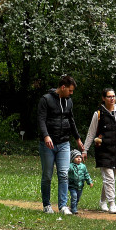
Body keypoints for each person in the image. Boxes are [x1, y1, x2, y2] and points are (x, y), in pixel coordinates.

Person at [36, 74, 85, 214]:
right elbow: (41, 120)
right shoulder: (46, 100)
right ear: (63, 87)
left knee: (63, 174)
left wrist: (77, 139)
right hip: (48, 145)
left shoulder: (69, 102)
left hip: (64, 143)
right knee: (47, 175)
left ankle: (63, 206)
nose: (71, 93)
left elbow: (71, 121)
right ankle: (46, 205)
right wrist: (46, 136)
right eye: (70, 90)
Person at [83, 87, 116, 213]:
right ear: (103, 98)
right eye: (109, 96)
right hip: (103, 150)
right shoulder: (98, 114)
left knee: (111, 177)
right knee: (109, 178)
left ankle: (103, 201)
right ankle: (112, 203)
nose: (112, 98)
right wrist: (84, 150)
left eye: (113, 96)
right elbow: (91, 133)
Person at [65, 149, 93, 215]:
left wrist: (90, 182)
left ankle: (73, 207)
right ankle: (74, 209)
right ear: (72, 158)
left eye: (80, 157)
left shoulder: (83, 166)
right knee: (74, 196)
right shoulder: (70, 166)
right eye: (76, 157)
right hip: (72, 186)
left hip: (80, 186)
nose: (79, 159)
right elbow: (66, 172)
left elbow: (86, 175)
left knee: (77, 198)